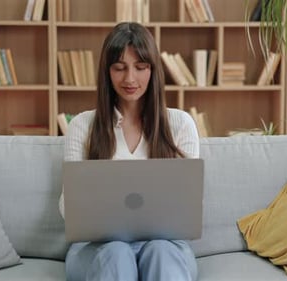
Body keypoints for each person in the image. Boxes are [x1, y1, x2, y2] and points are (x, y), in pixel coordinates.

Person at [59, 22, 200, 281]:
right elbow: (68, 209)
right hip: (96, 249)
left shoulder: (180, 124)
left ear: (153, 70)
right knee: (117, 253)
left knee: (160, 252)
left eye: (140, 67)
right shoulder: (82, 126)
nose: (130, 79)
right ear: (107, 72)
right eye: (119, 68)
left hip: (166, 246)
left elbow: (188, 210)